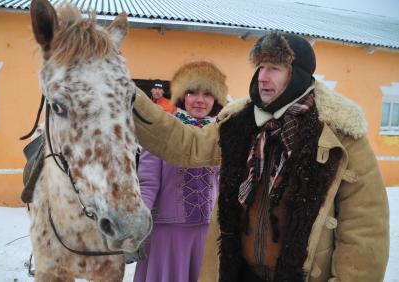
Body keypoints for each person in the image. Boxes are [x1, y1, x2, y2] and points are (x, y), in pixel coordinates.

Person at [132, 32, 389, 282]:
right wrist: (132, 99)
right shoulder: (239, 123)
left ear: (298, 74)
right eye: (261, 67)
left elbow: (365, 229)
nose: (262, 78)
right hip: (239, 273)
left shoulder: (339, 134)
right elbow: (187, 145)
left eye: (274, 69)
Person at [133, 61, 228, 282]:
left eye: (207, 94)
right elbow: (147, 182)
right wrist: (137, 227)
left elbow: (225, 185)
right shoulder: (163, 131)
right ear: (182, 96)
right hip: (166, 235)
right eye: (192, 92)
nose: (199, 100)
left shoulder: (222, 135)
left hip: (206, 235)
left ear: (215, 100)